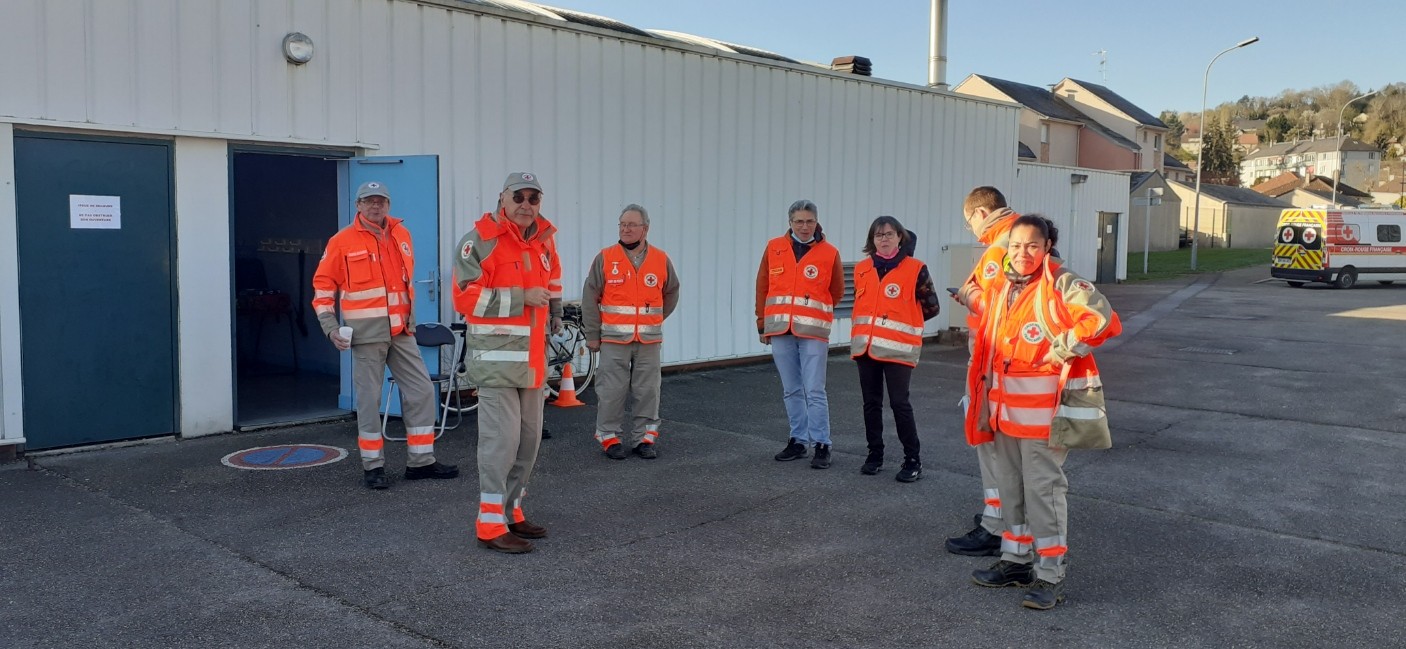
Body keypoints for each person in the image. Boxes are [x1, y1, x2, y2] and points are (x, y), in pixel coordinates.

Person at [963, 214, 1121, 610]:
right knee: (1011, 491)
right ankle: (1015, 560)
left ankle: (1050, 574)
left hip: (1041, 419)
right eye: (1016, 246)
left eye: (1032, 245)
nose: (1023, 253)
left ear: (1047, 247)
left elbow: (1102, 320)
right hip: (1003, 416)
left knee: (1043, 494)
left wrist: (1064, 345)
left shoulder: (1062, 283)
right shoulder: (1003, 288)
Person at [312, 181, 459, 490]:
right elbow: (323, 290)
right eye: (369, 201)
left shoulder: (401, 234)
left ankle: (421, 462)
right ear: (358, 205)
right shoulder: (342, 241)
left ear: (388, 204)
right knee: (369, 401)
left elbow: (401, 285)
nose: (375, 206)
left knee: (420, 392)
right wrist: (330, 327)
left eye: (381, 201)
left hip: (402, 332)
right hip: (367, 337)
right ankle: (373, 467)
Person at [452, 172, 564, 554]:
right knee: (501, 443)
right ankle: (489, 524)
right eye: (519, 196)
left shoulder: (545, 241)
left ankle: (512, 511)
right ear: (503, 198)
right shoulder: (479, 242)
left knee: (528, 443)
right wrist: (521, 298)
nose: (526, 204)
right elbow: (465, 299)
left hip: (533, 362)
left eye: (534, 198)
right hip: (497, 363)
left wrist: (557, 311)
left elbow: (553, 283)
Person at [944, 186, 1025, 556]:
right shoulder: (1027, 238)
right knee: (1007, 448)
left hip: (993, 361)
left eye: (968, 223)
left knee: (990, 444)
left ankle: (997, 525)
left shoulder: (999, 246)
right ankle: (1006, 520)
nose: (971, 231)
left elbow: (993, 303)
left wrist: (964, 293)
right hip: (1013, 361)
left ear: (979, 213)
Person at [581, 204, 682, 460]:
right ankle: (609, 437)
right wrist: (592, 334)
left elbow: (671, 292)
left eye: (631, 225)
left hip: (648, 340)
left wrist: (655, 319)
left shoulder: (661, 259)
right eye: (622, 224)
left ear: (645, 229)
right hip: (614, 339)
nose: (625, 229)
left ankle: (644, 439)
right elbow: (590, 296)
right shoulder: (605, 257)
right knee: (611, 390)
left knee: (648, 390)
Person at [849, 216, 940, 482]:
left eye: (889, 234)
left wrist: (904, 322)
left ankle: (912, 459)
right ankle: (874, 455)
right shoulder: (862, 269)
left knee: (900, 404)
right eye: (879, 235)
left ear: (900, 237)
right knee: (871, 403)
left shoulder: (916, 268)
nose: (884, 239)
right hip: (866, 348)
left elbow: (931, 307)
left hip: (898, 350)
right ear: (872, 240)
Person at [756, 200, 844, 469]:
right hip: (781, 330)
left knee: (815, 389)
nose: (804, 226)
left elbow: (837, 290)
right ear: (790, 222)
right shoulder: (774, 248)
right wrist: (762, 323)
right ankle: (798, 440)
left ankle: (821, 444)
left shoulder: (829, 252)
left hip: (813, 331)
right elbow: (762, 286)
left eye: (809, 221)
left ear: (817, 222)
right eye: (799, 221)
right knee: (791, 389)